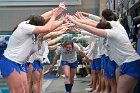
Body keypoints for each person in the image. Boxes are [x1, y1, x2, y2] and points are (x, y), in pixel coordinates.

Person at [68, 10, 140, 93]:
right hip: (123, 63)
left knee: (121, 90)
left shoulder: (113, 30)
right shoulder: (109, 30)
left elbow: (92, 28)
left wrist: (75, 21)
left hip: (130, 63)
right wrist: (83, 17)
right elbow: (94, 26)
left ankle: (103, 89)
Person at [0, 3, 66, 93]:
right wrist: (54, 15)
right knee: (17, 91)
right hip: (10, 61)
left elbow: (42, 18)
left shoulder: (32, 29)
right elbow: (48, 29)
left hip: (21, 63)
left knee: (23, 89)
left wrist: (59, 16)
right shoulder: (25, 27)